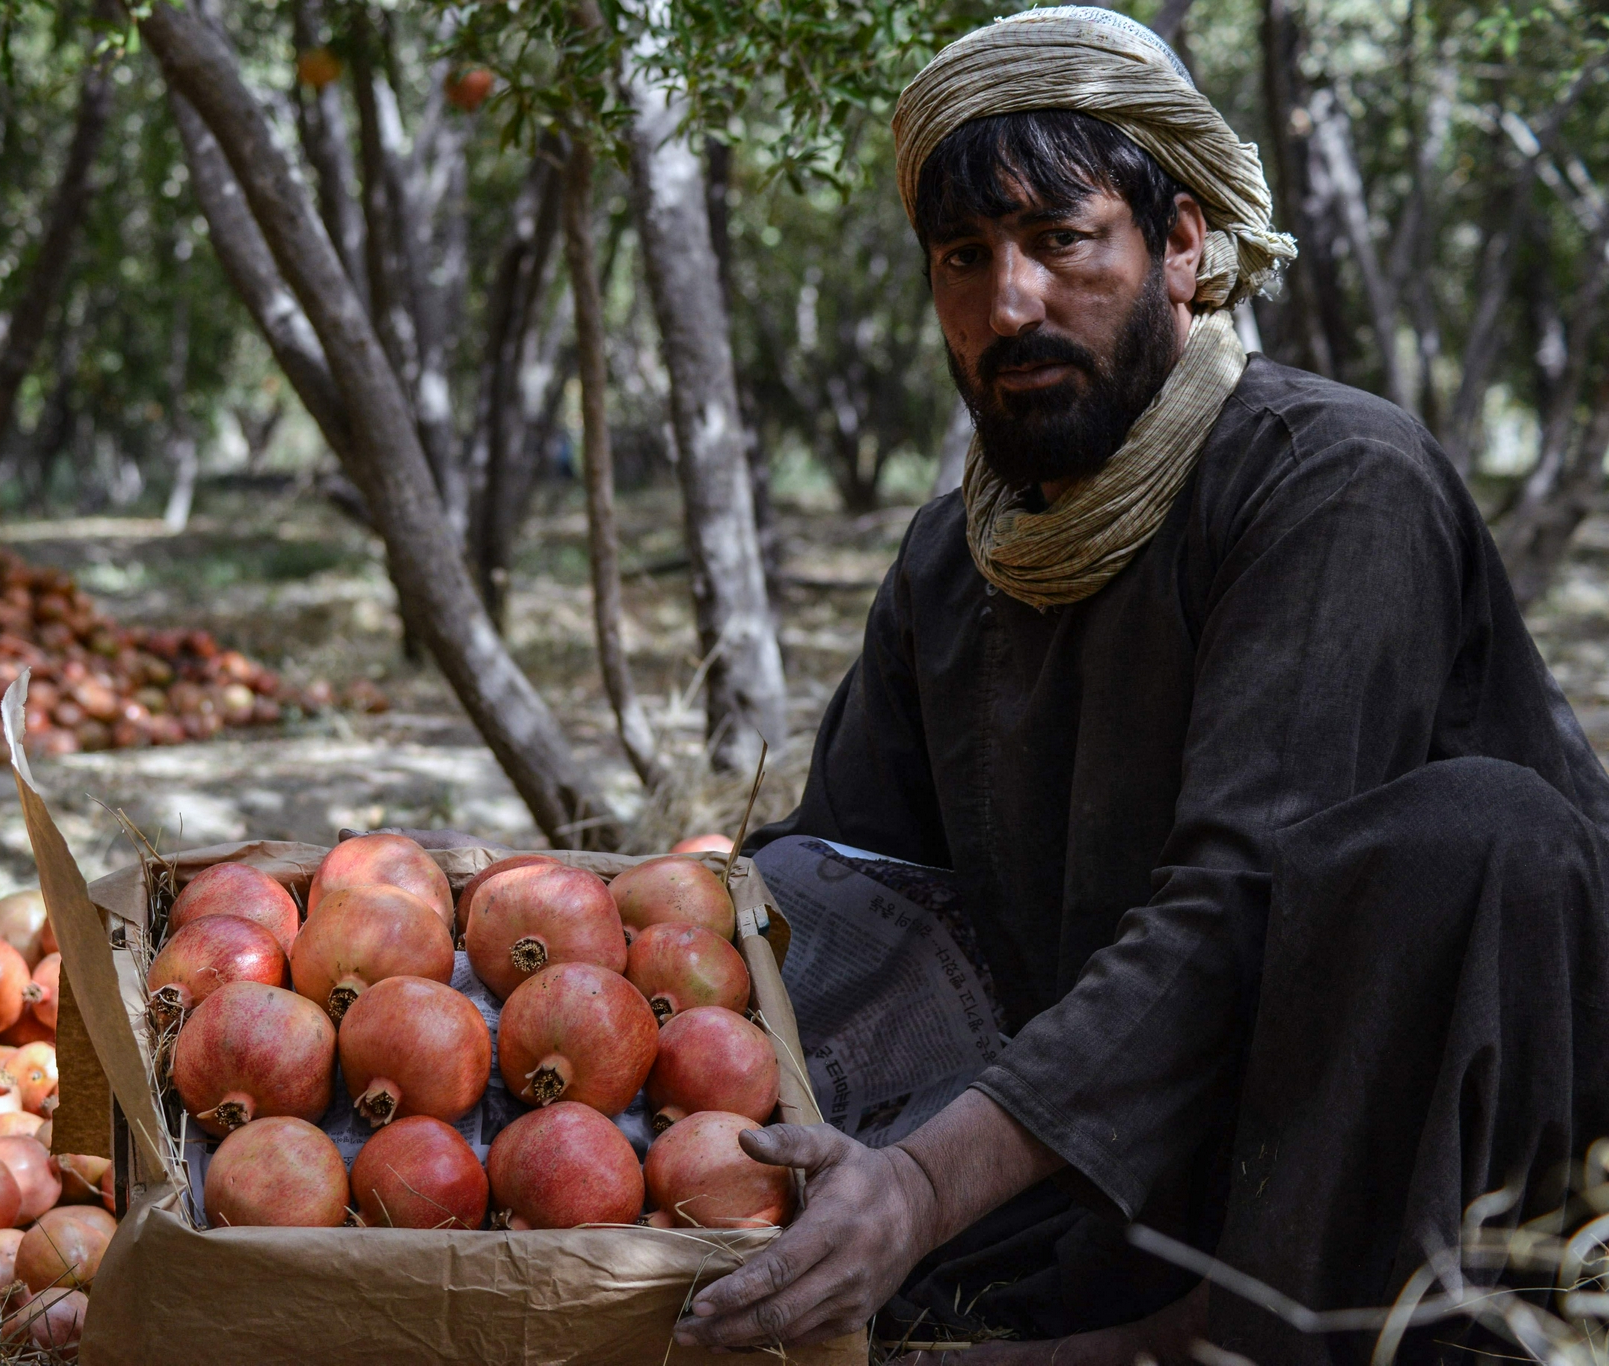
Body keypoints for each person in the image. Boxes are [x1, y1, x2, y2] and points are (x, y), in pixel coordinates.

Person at [657, 9, 1609, 1364]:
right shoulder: (950, 560)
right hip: (1115, 1173)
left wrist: (921, 1188)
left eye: (1063, 240)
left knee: (1477, 838)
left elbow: (1234, 908)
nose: (1010, 304)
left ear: (1183, 246)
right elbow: (842, 888)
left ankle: (1198, 1338)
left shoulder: (1334, 483)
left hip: (1384, 1185)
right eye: (964, 257)